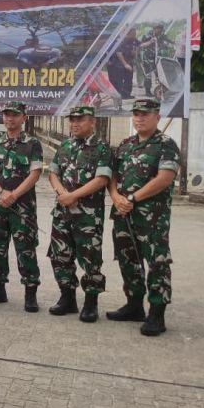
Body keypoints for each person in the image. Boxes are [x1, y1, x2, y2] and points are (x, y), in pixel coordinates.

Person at [107, 98, 180, 336]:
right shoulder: (125, 144)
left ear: (157, 117)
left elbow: (165, 178)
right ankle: (134, 305)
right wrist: (116, 196)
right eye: (136, 114)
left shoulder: (166, 144)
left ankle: (157, 314)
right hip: (123, 214)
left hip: (152, 218)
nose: (139, 118)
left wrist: (133, 198)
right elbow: (112, 176)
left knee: (157, 263)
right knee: (128, 260)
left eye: (145, 114)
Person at [47, 105, 112, 322]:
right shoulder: (65, 145)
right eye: (72, 120)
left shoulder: (101, 148)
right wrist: (62, 193)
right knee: (60, 255)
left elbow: (102, 179)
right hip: (62, 213)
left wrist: (74, 195)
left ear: (92, 122)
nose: (74, 124)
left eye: (80, 120)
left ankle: (91, 303)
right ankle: (67, 298)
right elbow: (53, 173)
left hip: (88, 216)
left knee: (90, 259)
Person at [0, 101, 43, 312]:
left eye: (15, 115)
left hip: (23, 207)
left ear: (23, 118)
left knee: (25, 249)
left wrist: (14, 195)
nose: (10, 118)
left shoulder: (32, 143)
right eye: (6, 115)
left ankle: (30, 293)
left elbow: (35, 174)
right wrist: (0, 192)